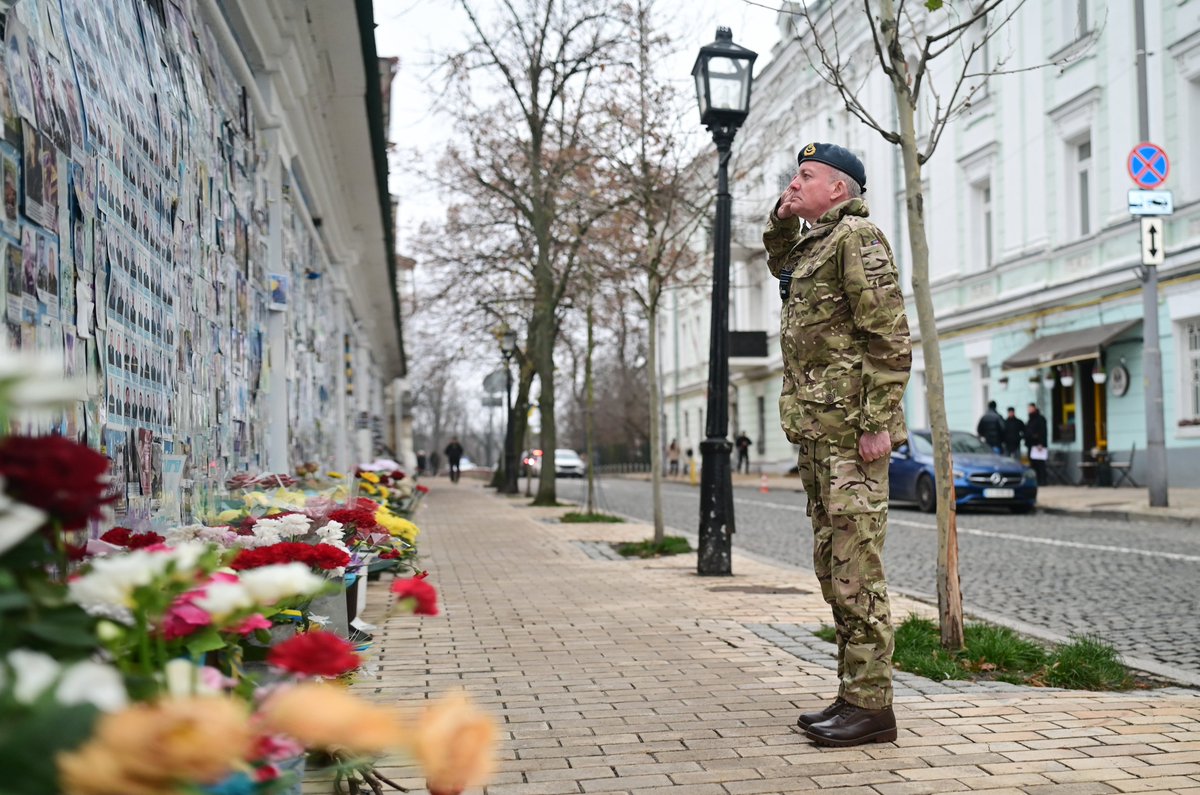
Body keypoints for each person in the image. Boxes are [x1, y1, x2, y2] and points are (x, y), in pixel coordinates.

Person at [763, 142, 911, 747]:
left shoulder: (860, 239)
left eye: (807, 175)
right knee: (832, 567)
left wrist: (880, 420)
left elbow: (890, 336)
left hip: (853, 437)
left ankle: (874, 708)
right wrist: (779, 215)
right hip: (819, 436)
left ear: (840, 189)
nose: (795, 184)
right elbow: (778, 263)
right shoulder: (814, 244)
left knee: (858, 572)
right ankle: (854, 695)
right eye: (794, 176)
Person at [1026, 403, 1049, 485]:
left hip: (1039, 446)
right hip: (1031, 445)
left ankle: (1042, 481)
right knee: (1033, 465)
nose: (1029, 410)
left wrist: (1041, 443)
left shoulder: (1040, 419)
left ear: (1035, 408)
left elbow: (1043, 432)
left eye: (1030, 408)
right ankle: (1036, 481)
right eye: (1028, 408)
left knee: (1040, 465)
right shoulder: (1030, 419)